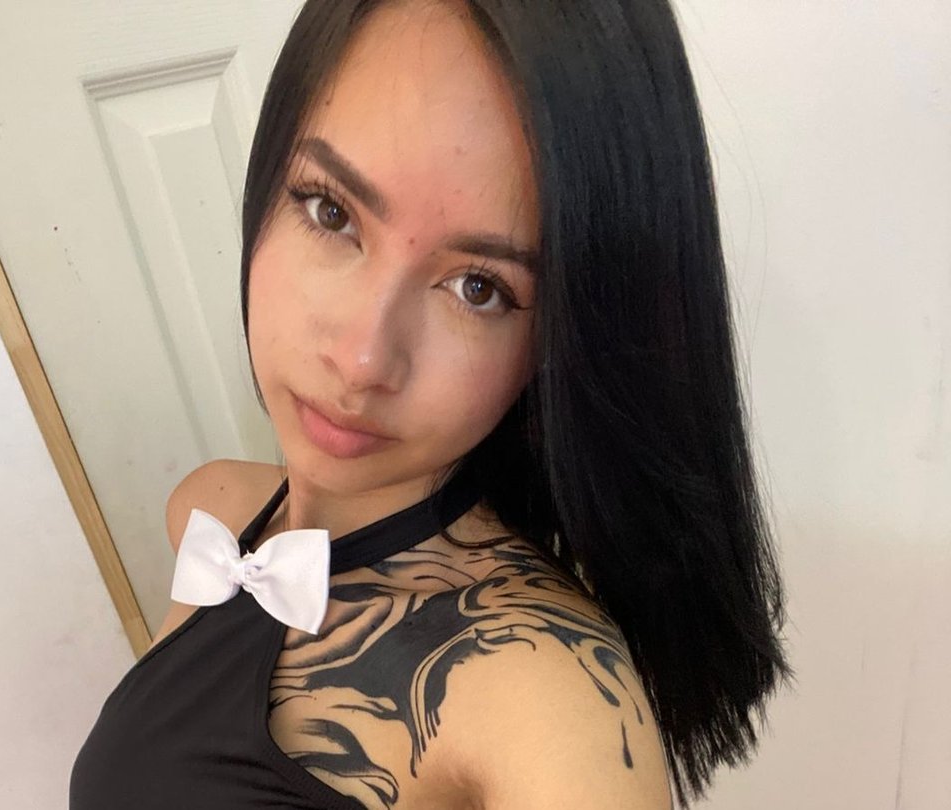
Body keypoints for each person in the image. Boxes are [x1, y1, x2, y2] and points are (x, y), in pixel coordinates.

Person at [70, 0, 791, 808]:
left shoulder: (543, 694)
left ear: (559, 340)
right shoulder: (212, 512)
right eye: (331, 212)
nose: (362, 360)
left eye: (479, 288)